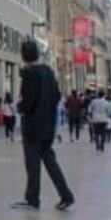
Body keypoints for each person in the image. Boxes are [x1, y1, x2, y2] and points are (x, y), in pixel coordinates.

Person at [11, 40, 75, 211]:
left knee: (32, 164)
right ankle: (66, 195)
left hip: (33, 127)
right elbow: (57, 96)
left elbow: (28, 101)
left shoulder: (29, 73)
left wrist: (20, 107)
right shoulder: (48, 71)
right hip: (48, 126)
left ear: (23, 55)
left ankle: (32, 199)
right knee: (51, 162)